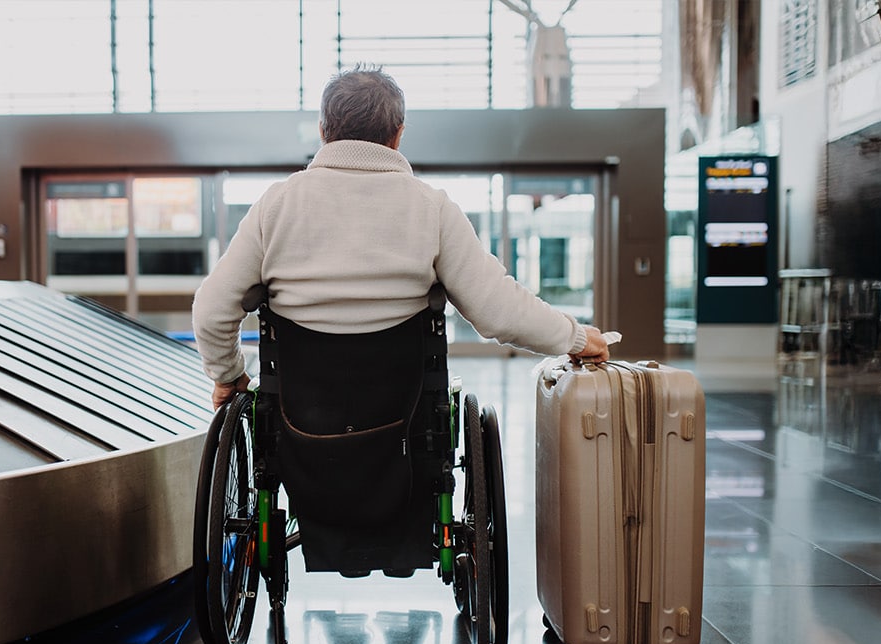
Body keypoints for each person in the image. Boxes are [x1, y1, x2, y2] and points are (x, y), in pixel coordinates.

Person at [192, 66, 609, 409]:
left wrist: (229, 375)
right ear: (398, 134)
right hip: (404, 432)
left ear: (323, 131)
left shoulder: (275, 205)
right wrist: (573, 335)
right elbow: (497, 310)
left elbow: (212, 310)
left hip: (298, 431)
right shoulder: (433, 209)